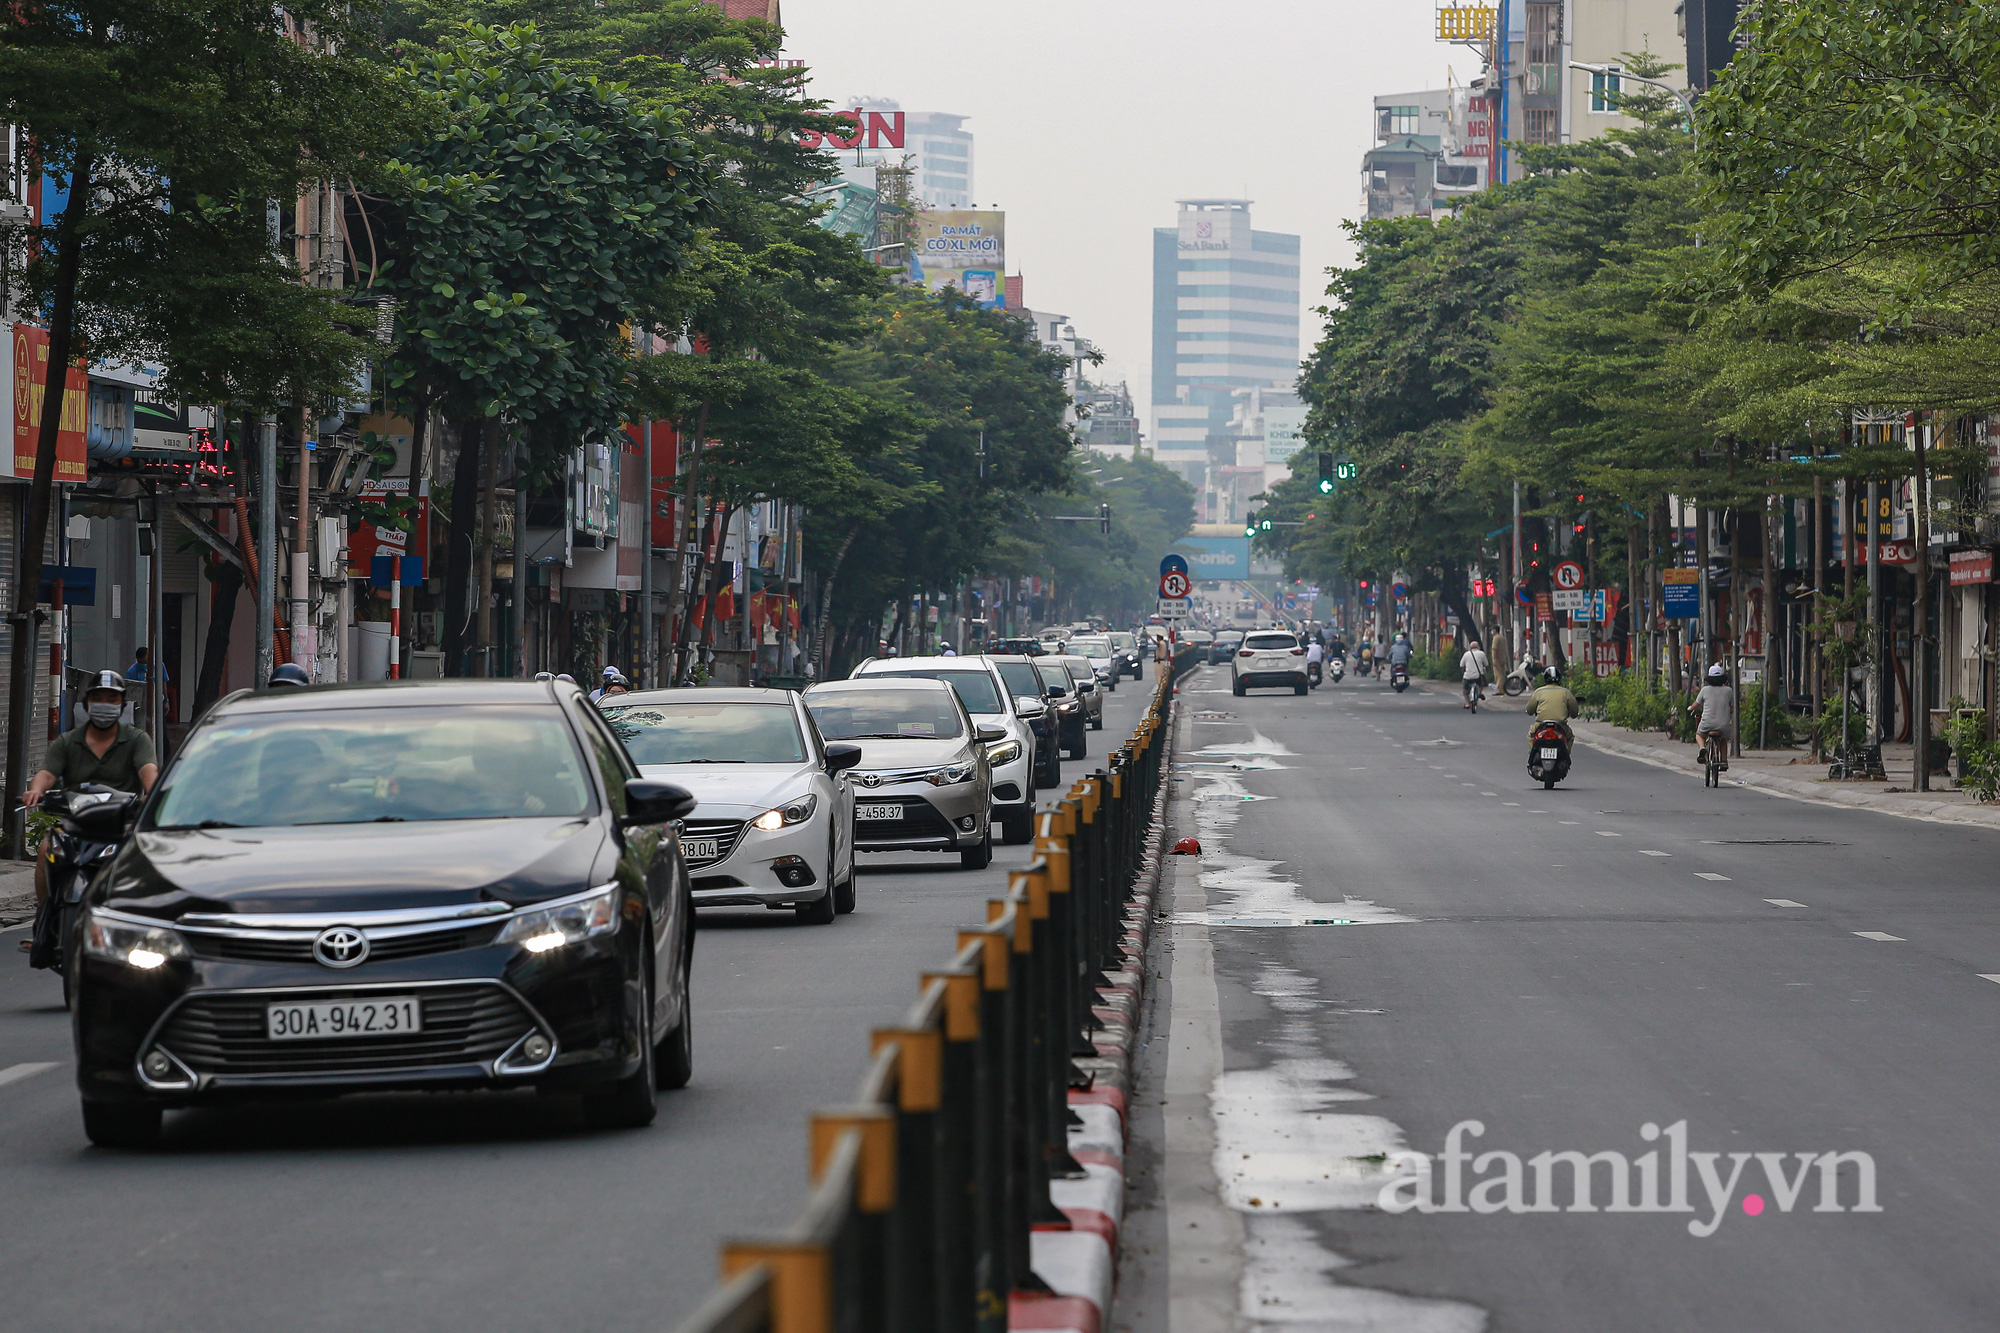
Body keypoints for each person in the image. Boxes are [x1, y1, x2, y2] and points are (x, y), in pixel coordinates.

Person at [20, 670, 158, 912]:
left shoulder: (137, 740)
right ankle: (44, 919)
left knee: (144, 860)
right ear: (87, 703)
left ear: (121, 704)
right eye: (98, 698)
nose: (104, 704)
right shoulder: (68, 741)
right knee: (45, 850)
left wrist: (152, 794)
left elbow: (149, 771)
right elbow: (47, 773)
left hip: (121, 827)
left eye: (112, 699)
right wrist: (36, 790)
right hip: (76, 825)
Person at [1688, 664, 1735, 769]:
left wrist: (1690, 708)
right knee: (1723, 740)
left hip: (1707, 723)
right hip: (1723, 724)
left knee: (1699, 734)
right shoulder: (1729, 690)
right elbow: (1732, 706)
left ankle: (1702, 748)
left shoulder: (1705, 690)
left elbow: (1696, 704)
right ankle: (1723, 761)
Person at [1525, 665, 1580, 742]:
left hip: (1541, 725)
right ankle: (1567, 753)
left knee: (1531, 736)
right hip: (1560, 725)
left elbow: (1529, 710)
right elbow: (1574, 712)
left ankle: (1531, 753)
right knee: (1570, 737)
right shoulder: (1566, 692)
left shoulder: (1539, 692)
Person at [1460, 638, 1491, 709]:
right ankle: (1479, 692)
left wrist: (1464, 670)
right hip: (1478, 676)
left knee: (1465, 690)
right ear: (1478, 647)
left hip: (1467, 676)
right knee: (1482, 683)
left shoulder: (1466, 654)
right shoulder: (1482, 653)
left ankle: (1467, 703)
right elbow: (1486, 664)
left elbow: (1461, 665)